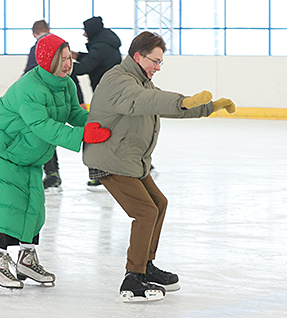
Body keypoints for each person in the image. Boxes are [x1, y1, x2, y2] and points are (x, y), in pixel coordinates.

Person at [82, 31, 236, 302]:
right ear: (138, 56)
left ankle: (146, 266)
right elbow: (147, 102)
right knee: (145, 211)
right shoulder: (118, 79)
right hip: (110, 159)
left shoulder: (141, 81)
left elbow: (165, 105)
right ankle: (132, 277)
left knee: (158, 204)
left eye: (160, 62)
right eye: (154, 61)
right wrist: (182, 100)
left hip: (130, 160)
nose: (158, 67)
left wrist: (208, 107)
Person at [0, 34, 111, 289]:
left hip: (27, 152)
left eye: (69, 58)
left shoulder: (65, 83)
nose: (68, 64)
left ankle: (26, 259)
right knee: (5, 206)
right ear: (48, 60)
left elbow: (73, 113)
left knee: (33, 205)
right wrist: (83, 136)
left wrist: (97, 122)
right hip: (0, 149)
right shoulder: (29, 87)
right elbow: (41, 125)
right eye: (62, 59)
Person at [23, 20, 86, 191]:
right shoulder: (53, 50)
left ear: (33, 33)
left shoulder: (48, 52)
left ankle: (52, 173)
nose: (66, 64)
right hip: (43, 103)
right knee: (46, 132)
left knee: (46, 133)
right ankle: (52, 172)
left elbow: (28, 73)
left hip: (46, 102)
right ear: (48, 29)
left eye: (67, 59)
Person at [70, 16, 124, 192]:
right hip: (113, 93)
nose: (84, 34)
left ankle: (103, 174)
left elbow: (85, 67)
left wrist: (64, 67)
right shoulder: (105, 41)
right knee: (115, 129)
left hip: (106, 96)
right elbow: (94, 59)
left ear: (92, 31)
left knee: (102, 132)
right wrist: (77, 56)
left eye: (85, 30)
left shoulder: (100, 46)